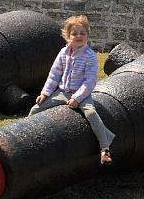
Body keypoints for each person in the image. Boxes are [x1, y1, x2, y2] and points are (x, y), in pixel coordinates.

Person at [29, 15, 115, 164]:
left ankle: (105, 148)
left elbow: (90, 81)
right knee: (36, 109)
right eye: (74, 33)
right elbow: (54, 75)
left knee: (91, 113)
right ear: (68, 36)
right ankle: (28, 137)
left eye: (82, 33)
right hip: (62, 92)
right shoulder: (63, 53)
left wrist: (77, 98)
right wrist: (45, 93)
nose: (78, 36)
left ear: (87, 36)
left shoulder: (90, 56)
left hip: (81, 94)